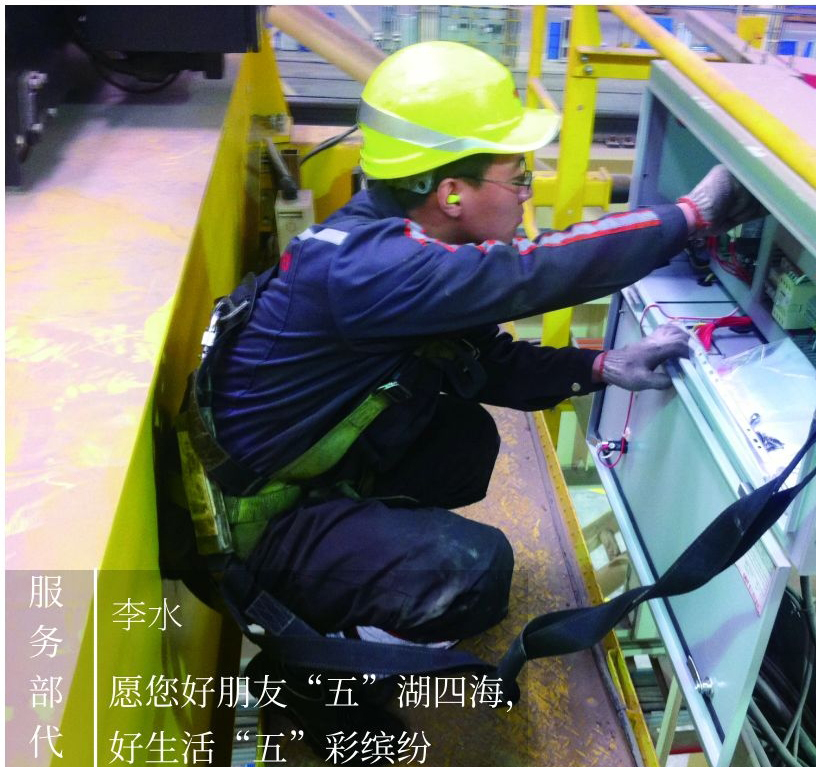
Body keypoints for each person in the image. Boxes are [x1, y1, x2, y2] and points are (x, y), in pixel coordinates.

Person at [200, 41, 758, 651]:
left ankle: (355, 548)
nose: (528, 193)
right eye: (519, 178)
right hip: (253, 524)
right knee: (477, 571)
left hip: (298, 469)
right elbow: (533, 271)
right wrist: (692, 215)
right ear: (452, 193)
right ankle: (335, 643)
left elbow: (482, 362)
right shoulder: (372, 269)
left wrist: (601, 365)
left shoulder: (391, 241)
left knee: (465, 441)